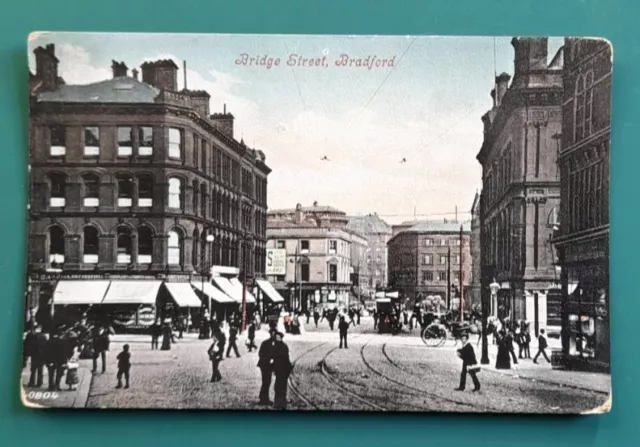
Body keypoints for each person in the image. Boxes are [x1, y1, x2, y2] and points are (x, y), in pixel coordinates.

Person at [272, 331, 292, 410]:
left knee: (282, 387)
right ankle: (277, 403)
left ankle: (282, 403)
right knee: (277, 387)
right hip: (278, 369)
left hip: (283, 369)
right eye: (276, 338)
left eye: (278, 338)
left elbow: (285, 358)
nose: (277, 339)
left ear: (281, 338)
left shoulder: (283, 346)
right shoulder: (276, 346)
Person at [257, 329, 277, 405]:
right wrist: (268, 359)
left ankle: (263, 398)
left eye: (274, 334)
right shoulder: (265, 343)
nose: (273, 335)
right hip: (264, 365)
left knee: (267, 382)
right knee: (266, 381)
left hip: (270, 366)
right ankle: (264, 399)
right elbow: (260, 354)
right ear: (270, 334)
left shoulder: (276, 344)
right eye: (272, 334)